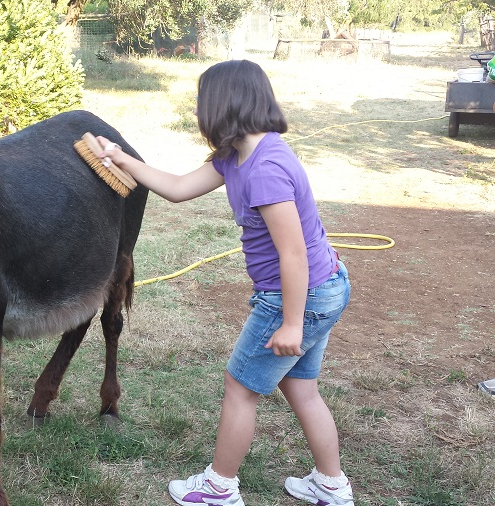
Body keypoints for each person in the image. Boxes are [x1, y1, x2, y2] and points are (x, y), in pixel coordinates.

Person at [94, 59, 354, 506]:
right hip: (324, 287)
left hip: (299, 296)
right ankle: (331, 486)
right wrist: (121, 159)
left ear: (220, 106)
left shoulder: (266, 169)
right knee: (301, 388)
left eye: (201, 103)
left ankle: (219, 486)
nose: (199, 113)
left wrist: (291, 323)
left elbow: (292, 254)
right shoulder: (236, 157)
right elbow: (176, 188)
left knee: (240, 388)